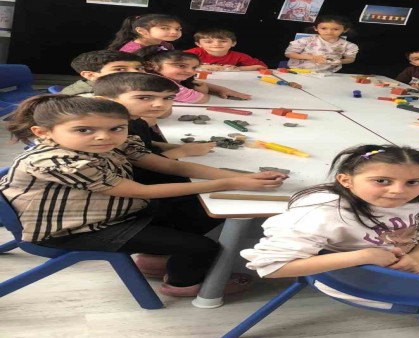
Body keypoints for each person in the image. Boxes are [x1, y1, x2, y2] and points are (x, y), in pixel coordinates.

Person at [0, 95, 287, 297]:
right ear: (43, 133)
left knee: (200, 210)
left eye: (116, 128)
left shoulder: (112, 143)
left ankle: (154, 259)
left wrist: (236, 177)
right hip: (70, 230)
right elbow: (143, 191)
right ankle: (183, 285)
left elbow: (171, 165)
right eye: (84, 130)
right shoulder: (60, 160)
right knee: (201, 247)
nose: (104, 136)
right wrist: (228, 182)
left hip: (111, 211)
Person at [241, 144, 419, 338]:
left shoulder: (418, 204)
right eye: (382, 181)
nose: (398, 191)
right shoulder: (322, 211)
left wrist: (418, 257)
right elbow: (273, 267)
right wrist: (363, 256)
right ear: (346, 180)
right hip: (363, 280)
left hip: (416, 268)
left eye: (413, 182)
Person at [92, 72, 217, 162]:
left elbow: (144, 144)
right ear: (105, 100)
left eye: (168, 98)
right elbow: (139, 166)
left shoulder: (137, 120)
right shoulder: (111, 131)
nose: (160, 104)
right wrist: (183, 151)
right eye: (144, 98)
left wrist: (179, 147)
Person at [142, 48, 251, 104]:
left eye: (194, 67)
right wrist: (204, 90)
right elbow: (201, 99)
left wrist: (220, 89)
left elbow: (194, 83)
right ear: (151, 66)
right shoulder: (158, 82)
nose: (190, 71)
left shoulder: (162, 75)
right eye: (181, 66)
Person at [285, 15, 359, 73]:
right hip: (299, 71)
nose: (329, 32)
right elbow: (289, 54)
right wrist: (313, 57)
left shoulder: (350, 46)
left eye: (336, 29)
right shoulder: (306, 41)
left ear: (345, 30)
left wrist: (340, 61)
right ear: (316, 28)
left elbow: (350, 59)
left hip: (327, 73)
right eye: (324, 28)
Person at [60, 50, 146, 96]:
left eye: (139, 68)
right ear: (91, 75)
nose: (136, 72)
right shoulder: (87, 99)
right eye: (120, 69)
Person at [185, 28, 267, 71]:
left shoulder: (239, 56)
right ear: (199, 44)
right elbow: (177, 63)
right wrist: (202, 67)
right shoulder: (193, 53)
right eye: (208, 42)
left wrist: (237, 69)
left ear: (233, 43)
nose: (216, 44)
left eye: (223, 41)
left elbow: (262, 67)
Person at [106, 14, 183, 53]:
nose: (174, 32)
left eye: (178, 29)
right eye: (164, 28)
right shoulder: (131, 50)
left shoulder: (167, 45)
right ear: (141, 31)